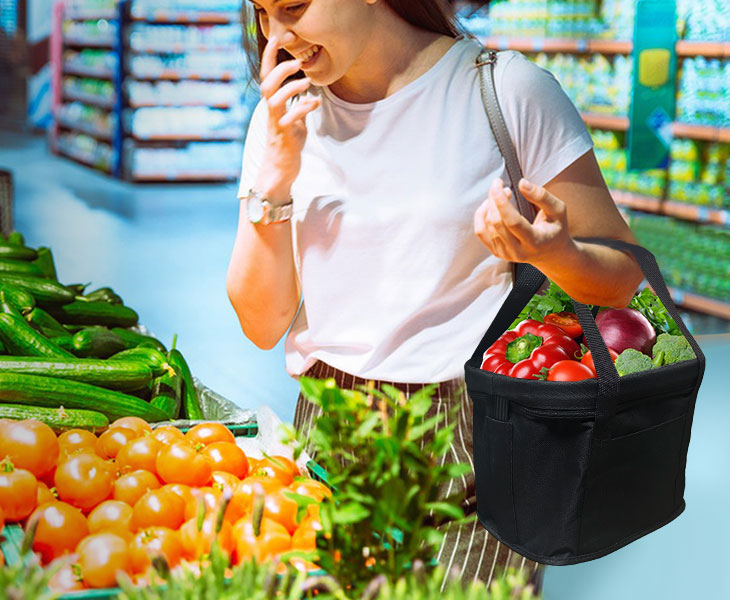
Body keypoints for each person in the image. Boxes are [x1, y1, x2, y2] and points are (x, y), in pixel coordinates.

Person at [225, 0, 645, 593]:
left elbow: (624, 274)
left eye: (294, 6)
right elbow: (261, 321)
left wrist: (555, 254)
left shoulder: (508, 91)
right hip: (328, 431)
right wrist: (274, 180)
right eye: (263, 12)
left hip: (476, 436)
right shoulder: (283, 117)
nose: (277, 35)